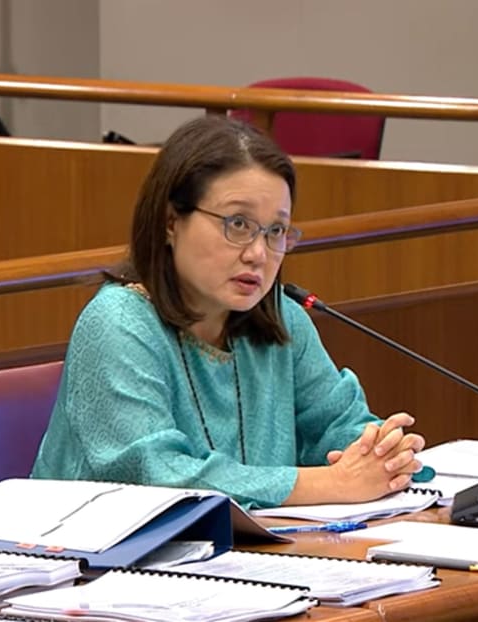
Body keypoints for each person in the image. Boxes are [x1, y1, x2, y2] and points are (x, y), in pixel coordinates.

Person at [32, 115, 426, 509]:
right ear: (171, 222)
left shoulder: (283, 319)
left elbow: (340, 426)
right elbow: (155, 475)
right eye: (238, 224)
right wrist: (333, 484)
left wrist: (387, 453)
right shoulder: (118, 323)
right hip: (93, 562)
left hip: (246, 557)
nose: (258, 254)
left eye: (275, 231)